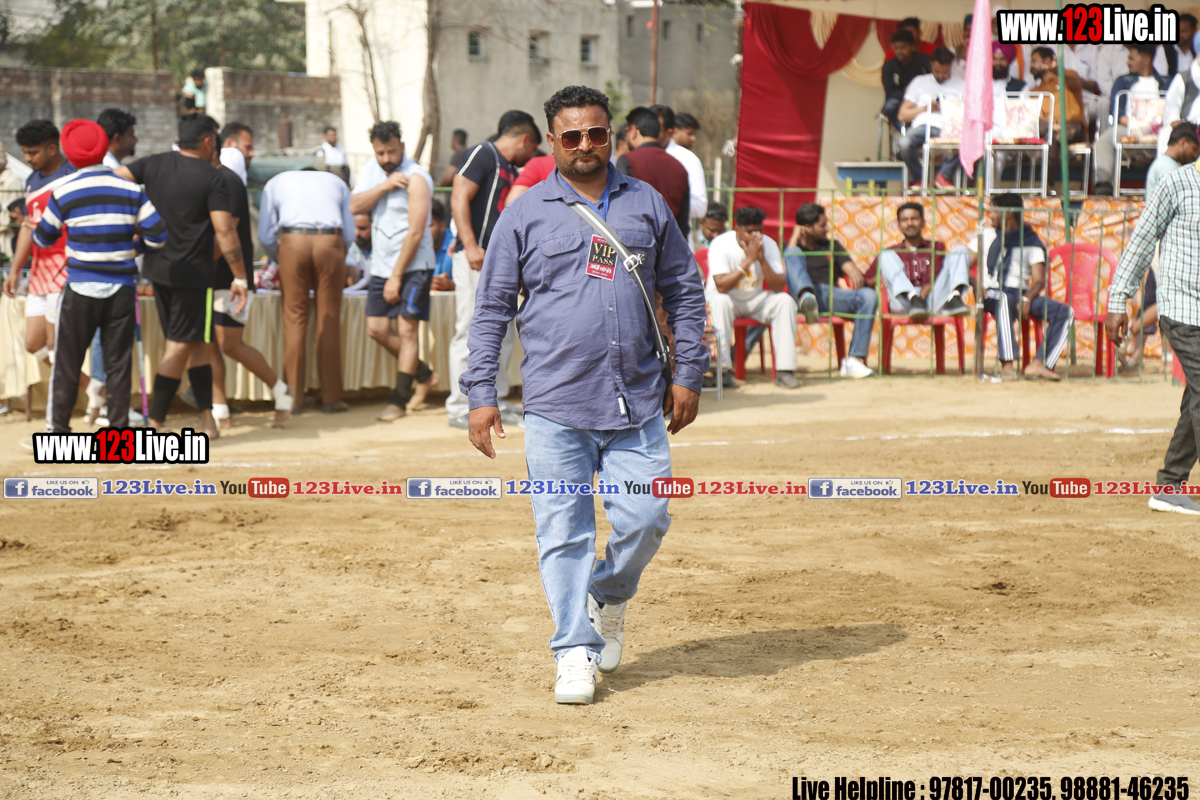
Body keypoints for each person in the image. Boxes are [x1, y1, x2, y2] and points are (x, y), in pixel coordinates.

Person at [462, 84, 708, 705]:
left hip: (636, 401)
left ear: (612, 136)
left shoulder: (646, 203)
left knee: (647, 518)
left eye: (596, 133)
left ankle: (608, 593)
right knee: (563, 533)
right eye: (571, 135)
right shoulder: (524, 214)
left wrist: (689, 373)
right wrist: (481, 392)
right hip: (555, 405)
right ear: (552, 140)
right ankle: (573, 650)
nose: (584, 145)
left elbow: (684, 290)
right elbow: (491, 311)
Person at [33, 119, 167, 432]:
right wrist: (135, 248)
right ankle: (118, 432)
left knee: (67, 362)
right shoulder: (131, 189)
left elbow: (43, 239)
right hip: (121, 289)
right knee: (118, 365)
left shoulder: (63, 191)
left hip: (79, 288)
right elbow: (159, 235)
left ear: (69, 152)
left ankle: (59, 431)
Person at [115, 114, 245, 436]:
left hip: (159, 271)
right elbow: (225, 231)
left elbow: (114, 178)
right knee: (178, 347)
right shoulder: (213, 177)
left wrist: (134, 219)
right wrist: (240, 276)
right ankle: (155, 423)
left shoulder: (154, 163)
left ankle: (207, 420)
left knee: (196, 344)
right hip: (193, 275)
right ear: (208, 142)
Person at [1105, 159, 1200, 514]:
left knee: (1196, 396)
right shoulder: (1177, 183)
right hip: (1183, 308)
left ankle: (1169, 485)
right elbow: (1142, 241)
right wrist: (1117, 300)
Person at [446, 111, 539, 430]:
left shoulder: (509, 167)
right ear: (525, 139)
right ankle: (461, 405)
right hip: (475, 257)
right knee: (471, 330)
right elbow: (458, 196)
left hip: (497, 261)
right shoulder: (483, 152)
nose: (532, 156)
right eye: (533, 148)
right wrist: (469, 244)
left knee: (502, 332)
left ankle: (494, 398)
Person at [350, 120, 438, 422]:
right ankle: (425, 375)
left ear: (402, 146)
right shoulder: (373, 172)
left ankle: (398, 401)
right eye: (380, 153)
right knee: (376, 329)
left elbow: (416, 232)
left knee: (406, 330)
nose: (386, 158)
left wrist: (397, 276)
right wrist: (384, 186)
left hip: (414, 266)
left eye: (391, 151)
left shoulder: (418, 178)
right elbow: (355, 206)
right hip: (381, 265)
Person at [205, 126, 292, 429]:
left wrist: (199, 264)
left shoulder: (229, 181)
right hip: (208, 277)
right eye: (248, 147)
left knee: (230, 343)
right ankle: (220, 412)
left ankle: (280, 391)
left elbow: (226, 232)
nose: (251, 154)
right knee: (208, 345)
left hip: (232, 277)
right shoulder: (208, 179)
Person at [258, 167, 355, 414]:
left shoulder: (276, 181)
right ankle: (331, 398)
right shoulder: (337, 182)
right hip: (330, 240)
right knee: (328, 319)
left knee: (294, 319)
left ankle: (293, 399)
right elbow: (350, 233)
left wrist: (281, 257)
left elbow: (265, 235)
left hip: (293, 240)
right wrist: (335, 251)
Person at [3, 120, 75, 379]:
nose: (27, 158)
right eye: (24, 152)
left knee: (56, 345)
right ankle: (94, 388)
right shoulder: (32, 179)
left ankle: (62, 402)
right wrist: (14, 270)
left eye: (32, 152)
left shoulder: (72, 175)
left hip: (65, 270)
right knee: (33, 344)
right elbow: (27, 227)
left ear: (52, 149)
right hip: (39, 272)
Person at [973, 193, 1071, 382]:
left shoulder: (1031, 241)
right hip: (993, 292)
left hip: (1020, 293)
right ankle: (1007, 366)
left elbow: (1039, 280)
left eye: (994, 211)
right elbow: (965, 263)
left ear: (1008, 212)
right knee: (1003, 299)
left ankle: (1040, 363)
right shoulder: (987, 236)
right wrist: (976, 284)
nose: (990, 215)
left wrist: (1027, 298)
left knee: (1064, 312)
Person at [705, 206, 799, 389]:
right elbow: (721, 286)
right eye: (750, 232)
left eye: (759, 231)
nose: (756, 236)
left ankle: (785, 371)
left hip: (754, 300)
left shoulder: (768, 244)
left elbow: (778, 286)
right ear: (737, 229)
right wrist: (748, 260)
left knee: (785, 301)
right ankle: (722, 371)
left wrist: (761, 259)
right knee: (721, 302)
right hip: (725, 298)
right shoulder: (720, 244)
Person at [785, 203, 876, 378]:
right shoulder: (791, 247)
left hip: (830, 296)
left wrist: (854, 272)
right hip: (796, 299)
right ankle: (806, 296)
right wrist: (795, 238)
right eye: (822, 225)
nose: (827, 228)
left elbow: (851, 269)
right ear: (807, 227)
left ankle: (854, 360)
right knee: (793, 254)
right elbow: (783, 274)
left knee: (869, 296)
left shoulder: (832, 245)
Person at [935, 45, 1027, 186]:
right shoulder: (978, 83)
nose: (997, 63)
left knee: (991, 142)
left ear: (1009, 61)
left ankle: (984, 187)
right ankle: (971, 183)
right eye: (994, 58)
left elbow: (1022, 115)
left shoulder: (1020, 87)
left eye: (1002, 59)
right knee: (972, 135)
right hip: (979, 125)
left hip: (1006, 129)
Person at [868, 202, 970, 318]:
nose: (910, 223)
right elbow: (867, 280)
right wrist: (883, 277)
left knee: (960, 251)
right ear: (899, 226)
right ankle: (912, 297)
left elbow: (933, 275)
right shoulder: (892, 252)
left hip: (931, 300)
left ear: (923, 223)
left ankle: (954, 298)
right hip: (903, 303)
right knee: (885, 254)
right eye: (904, 220)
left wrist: (920, 298)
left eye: (914, 219)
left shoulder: (936, 247)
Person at [1095, 44, 1169, 194]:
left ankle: (1168, 184)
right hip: (1129, 128)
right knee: (1103, 142)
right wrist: (1137, 125)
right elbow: (1117, 110)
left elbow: (1172, 109)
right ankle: (1104, 184)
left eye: (1132, 58)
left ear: (1146, 60)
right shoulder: (1122, 81)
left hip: (1159, 130)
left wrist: (1153, 125)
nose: (1128, 62)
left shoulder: (1166, 82)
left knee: (1174, 138)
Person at [617, 107, 690, 237]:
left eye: (627, 131)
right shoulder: (679, 168)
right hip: (670, 243)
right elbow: (683, 223)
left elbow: (619, 208)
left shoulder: (628, 161)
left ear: (633, 131)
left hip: (636, 242)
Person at [896, 48, 964, 185]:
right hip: (923, 125)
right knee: (904, 144)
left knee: (972, 142)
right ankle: (921, 179)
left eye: (945, 72)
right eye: (937, 71)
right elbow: (902, 115)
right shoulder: (920, 82)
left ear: (951, 67)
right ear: (931, 64)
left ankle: (943, 175)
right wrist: (926, 108)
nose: (941, 76)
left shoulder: (962, 84)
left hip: (951, 127)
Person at [659, 108, 707, 232]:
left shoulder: (689, 159)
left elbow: (701, 207)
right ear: (674, 132)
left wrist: (668, 202)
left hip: (677, 236)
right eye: (689, 134)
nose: (693, 139)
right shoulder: (644, 155)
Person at [881, 29, 931, 130]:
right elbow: (890, 92)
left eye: (903, 47)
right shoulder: (889, 66)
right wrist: (908, 94)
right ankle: (907, 132)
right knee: (890, 106)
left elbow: (933, 81)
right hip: (900, 101)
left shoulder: (924, 61)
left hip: (922, 99)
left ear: (913, 47)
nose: (899, 51)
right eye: (896, 48)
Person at [1157, 52, 1200, 156]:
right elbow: (1171, 116)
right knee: (1166, 135)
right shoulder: (1184, 78)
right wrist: (1190, 131)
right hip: (1188, 133)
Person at [1147, 122, 1200, 198]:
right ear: (1183, 143)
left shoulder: (1164, 163)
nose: (1195, 155)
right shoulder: (1168, 169)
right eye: (1194, 149)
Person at [430, 199, 455, 291]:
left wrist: (451, 285)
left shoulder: (456, 247)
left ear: (442, 225)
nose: (424, 232)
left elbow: (475, 283)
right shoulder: (411, 247)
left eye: (429, 225)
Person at [345, 213, 373, 288]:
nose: (356, 233)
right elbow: (352, 281)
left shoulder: (381, 249)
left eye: (362, 228)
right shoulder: (349, 248)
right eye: (354, 228)